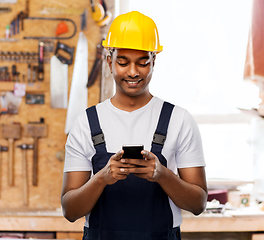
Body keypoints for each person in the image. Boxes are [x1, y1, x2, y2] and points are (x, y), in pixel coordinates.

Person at [61, 11, 207, 240]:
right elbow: (70, 210)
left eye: (142, 62)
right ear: (109, 61)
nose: (132, 72)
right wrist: (102, 177)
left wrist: (163, 175)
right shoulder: (86, 123)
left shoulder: (179, 120)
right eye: (122, 62)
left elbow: (198, 203)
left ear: (153, 61)